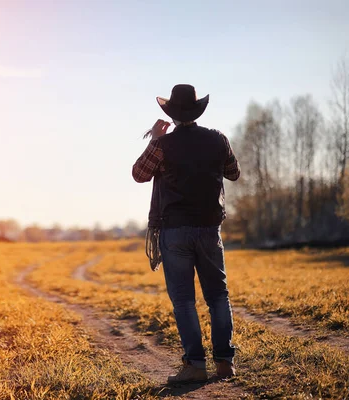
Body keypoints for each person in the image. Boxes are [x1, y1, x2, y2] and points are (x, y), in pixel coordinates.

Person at [132, 84, 240, 384]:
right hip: (209, 228)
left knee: (184, 300)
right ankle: (225, 363)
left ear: (171, 114)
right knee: (218, 296)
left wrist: (155, 140)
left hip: (175, 230)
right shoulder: (218, 139)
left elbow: (139, 174)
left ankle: (195, 364)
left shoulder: (163, 145)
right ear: (197, 110)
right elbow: (234, 173)